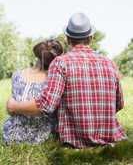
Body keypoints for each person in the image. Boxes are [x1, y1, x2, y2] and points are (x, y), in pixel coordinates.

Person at [7, 13, 127, 148]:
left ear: (68, 38)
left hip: (76, 141)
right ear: (91, 38)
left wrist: (14, 106)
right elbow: (119, 104)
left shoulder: (60, 63)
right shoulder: (109, 63)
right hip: (111, 137)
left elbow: (47, 105)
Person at [3, 39, 63, 144]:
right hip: (43, 135)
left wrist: (13, 106)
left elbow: (10, 109)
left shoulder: (18, 75)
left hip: (12, 133)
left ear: (37, 56)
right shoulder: (54, 80)